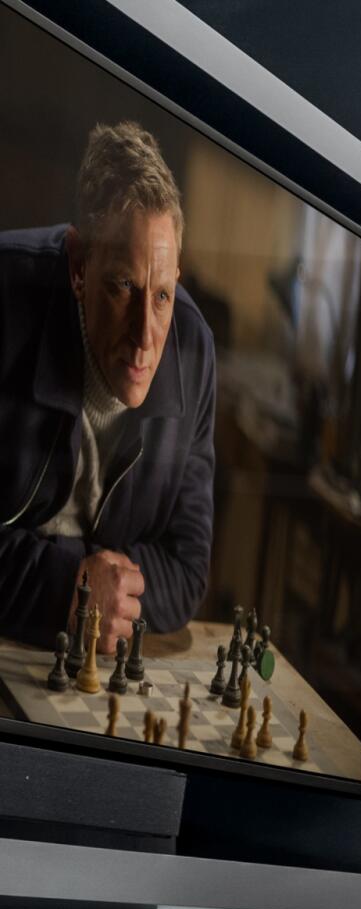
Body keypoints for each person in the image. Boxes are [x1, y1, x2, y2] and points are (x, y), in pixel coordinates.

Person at [0, 121, 217, 654]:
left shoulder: (193, 351)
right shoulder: (6, 300)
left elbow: (187, 569)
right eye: (123, 286)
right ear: (78, 266)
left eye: (162, 296)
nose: (145, 336)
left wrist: (102, 589)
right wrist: (69, 588)